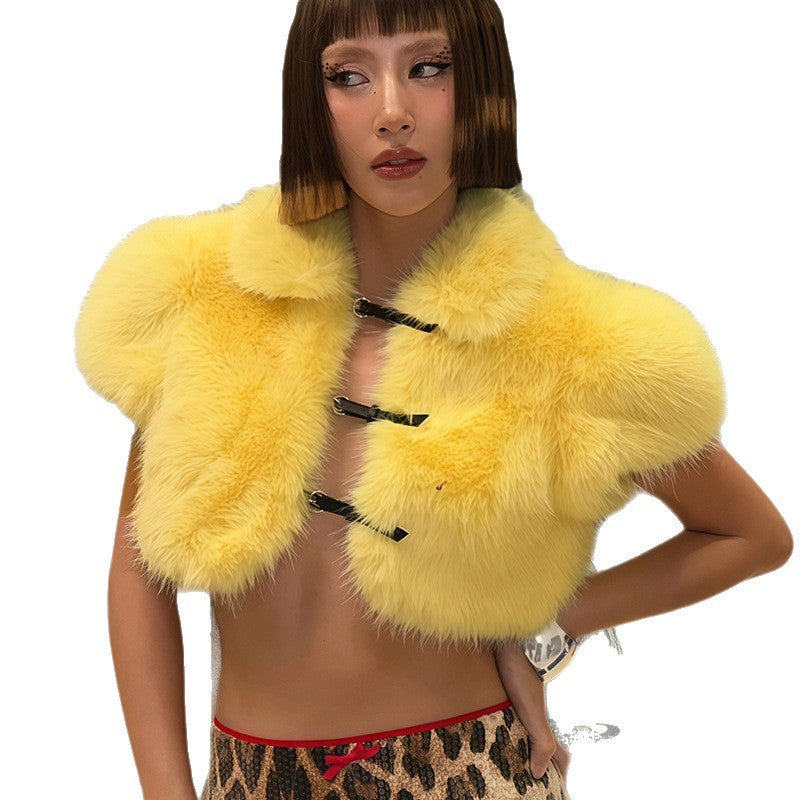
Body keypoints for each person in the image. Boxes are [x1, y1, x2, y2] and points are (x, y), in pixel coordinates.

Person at [74, 1, 793, 799]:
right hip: (248, 778)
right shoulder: (208, 294)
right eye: (349, 76)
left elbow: (750, 534)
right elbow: (138, 567)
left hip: (471, 774)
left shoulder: (571, 337)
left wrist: (550, 623)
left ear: (482, 86)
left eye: (428, 68)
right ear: (309, 99)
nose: (393, 112)